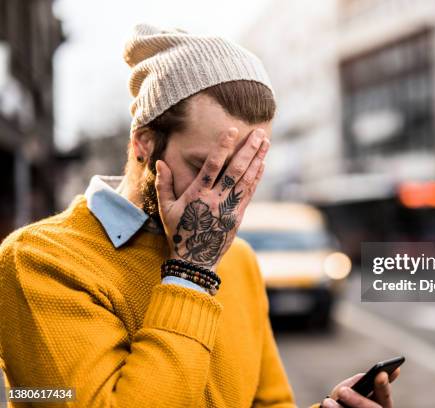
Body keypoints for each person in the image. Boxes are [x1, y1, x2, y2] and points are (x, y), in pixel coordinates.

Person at [0, 24, 399, 407]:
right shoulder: (38, 261)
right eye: (204, 167)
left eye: (242, 171)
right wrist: (191, 271)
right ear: (144, 143)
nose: (220, 197)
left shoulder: (238, 261)